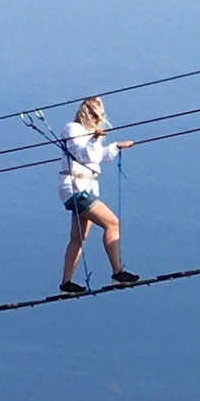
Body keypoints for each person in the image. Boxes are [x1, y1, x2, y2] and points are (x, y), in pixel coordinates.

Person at [56, 96, 140, 295]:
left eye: (99, 116)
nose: (97, 119)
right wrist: (94, 139)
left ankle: (66, 283)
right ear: (86, 113)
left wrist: (115, 147)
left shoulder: (88, 133)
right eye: (94, 115)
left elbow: (97, 156)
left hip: (83, 187)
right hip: (77, 187)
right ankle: (117, 272)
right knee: (112, 223)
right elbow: (85, 155)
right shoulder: (73, 130)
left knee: (79, 237)